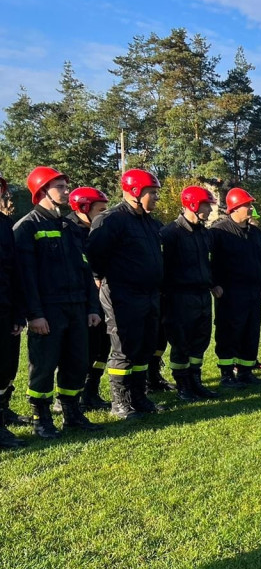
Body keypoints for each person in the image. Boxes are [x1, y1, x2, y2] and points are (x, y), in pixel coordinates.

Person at [16, 166, 103, 437]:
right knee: (43, 365)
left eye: (66, 187)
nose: (67, 192)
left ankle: (72, 412)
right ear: (42, 191)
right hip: (48, 310)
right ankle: (41, 418)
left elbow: (84, 268)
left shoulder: (69, 226)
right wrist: (35, 314)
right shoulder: (27, 227)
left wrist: (91, 306)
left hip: (77, 306)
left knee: (76, 362)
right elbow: (25, 278)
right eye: (61, 188)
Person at [86, 168, 166, 419]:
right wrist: (100, 278)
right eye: (151, 193)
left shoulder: (150, 223)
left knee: (145, 346)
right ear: (134, 192)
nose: (156, 198)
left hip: (149, 294)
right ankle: (119, 402)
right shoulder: (111, 220)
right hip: (122, 294)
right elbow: (96, 255)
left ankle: (139, 397)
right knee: (124, 348)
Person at [160, 186, 218, 402]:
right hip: (179, 297)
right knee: (181, 343)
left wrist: (213, 284)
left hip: (202, 295)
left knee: (200, 341)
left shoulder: (204, 233)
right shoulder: (170, 233)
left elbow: (207, 263)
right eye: (207, 206)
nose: (210, 211)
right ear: (193, 204)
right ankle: (182, 384)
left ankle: (196, 381)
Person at [209, 187, 261, 387]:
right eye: (247, 205)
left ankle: (245, 371)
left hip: (253, 292)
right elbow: (210, 261)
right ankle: (227, 374)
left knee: (251, 332)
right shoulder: (219, 232)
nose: (251, 209)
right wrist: (214, 284)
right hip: (229, 292)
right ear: (234, 208)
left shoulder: (256, 234)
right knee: (229, 332)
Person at [66, 186, 111, 411]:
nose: (104, 214)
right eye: (101, 210)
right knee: (79, 350)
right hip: (78, 300)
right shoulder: (68, 230)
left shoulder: (98, 228)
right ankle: (68, 397)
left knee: (103, 346)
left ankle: (91, 392)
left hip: (101, 298)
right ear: (84, 208)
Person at [0, 172, 26, 448]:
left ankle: (3, 413)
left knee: (6, 367)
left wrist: (19, 312)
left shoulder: (4, 225)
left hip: (6, 308)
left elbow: (15, 271)